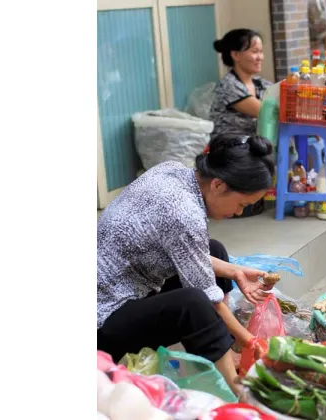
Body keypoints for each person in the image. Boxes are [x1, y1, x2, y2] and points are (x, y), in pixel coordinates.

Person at [97, 134, 276, 396]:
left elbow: (187, 251)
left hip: (127, 288)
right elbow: (209, 297)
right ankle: (236, 391)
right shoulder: (184, 212)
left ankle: (224, 350)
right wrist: (249, 340)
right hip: (102, 320)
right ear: (218, 184)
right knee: (193, 303)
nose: (238, 213)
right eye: (241, 204)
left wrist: (235, 271)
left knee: (215, 250)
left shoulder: (173, 172)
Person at [209, 29, 272, 141]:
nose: (260, 57)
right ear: (236, 55)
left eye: (261, 52)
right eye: (254, 52)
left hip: (256, 147)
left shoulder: (261, 84)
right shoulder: (228, 85)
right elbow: (267, 112)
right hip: (232, 150)